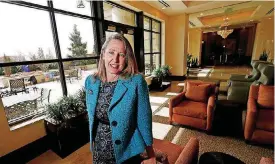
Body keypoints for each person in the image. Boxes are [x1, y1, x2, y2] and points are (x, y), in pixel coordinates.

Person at [85, 34, 156, 164]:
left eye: (121, 55)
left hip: (127, 150)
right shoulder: (91, 81)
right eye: (111, 52)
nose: (115, 59)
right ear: (103, 55)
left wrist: (151, 154)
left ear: (127, 58)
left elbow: (144, 120)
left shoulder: (136, 82)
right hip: (99, 148)